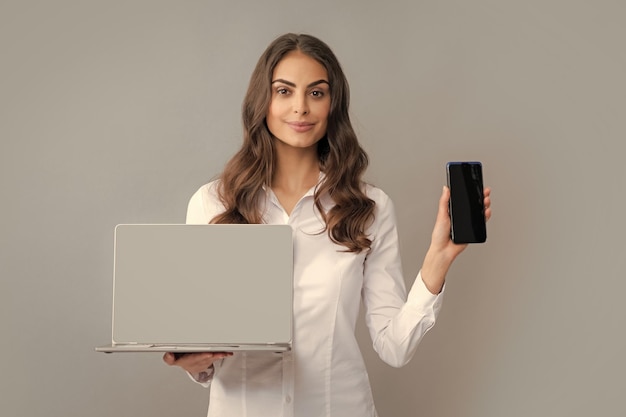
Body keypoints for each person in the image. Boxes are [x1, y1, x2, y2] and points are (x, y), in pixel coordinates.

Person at [163, 33, 491, 417]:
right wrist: (190, 361)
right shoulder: (212, 203)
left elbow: (395, 347)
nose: (300, 107)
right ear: (262, 102)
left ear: (333, 105)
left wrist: (438, 258)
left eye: (316, 93)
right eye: (284, 91)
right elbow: (200, 352)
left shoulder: (370, 208)